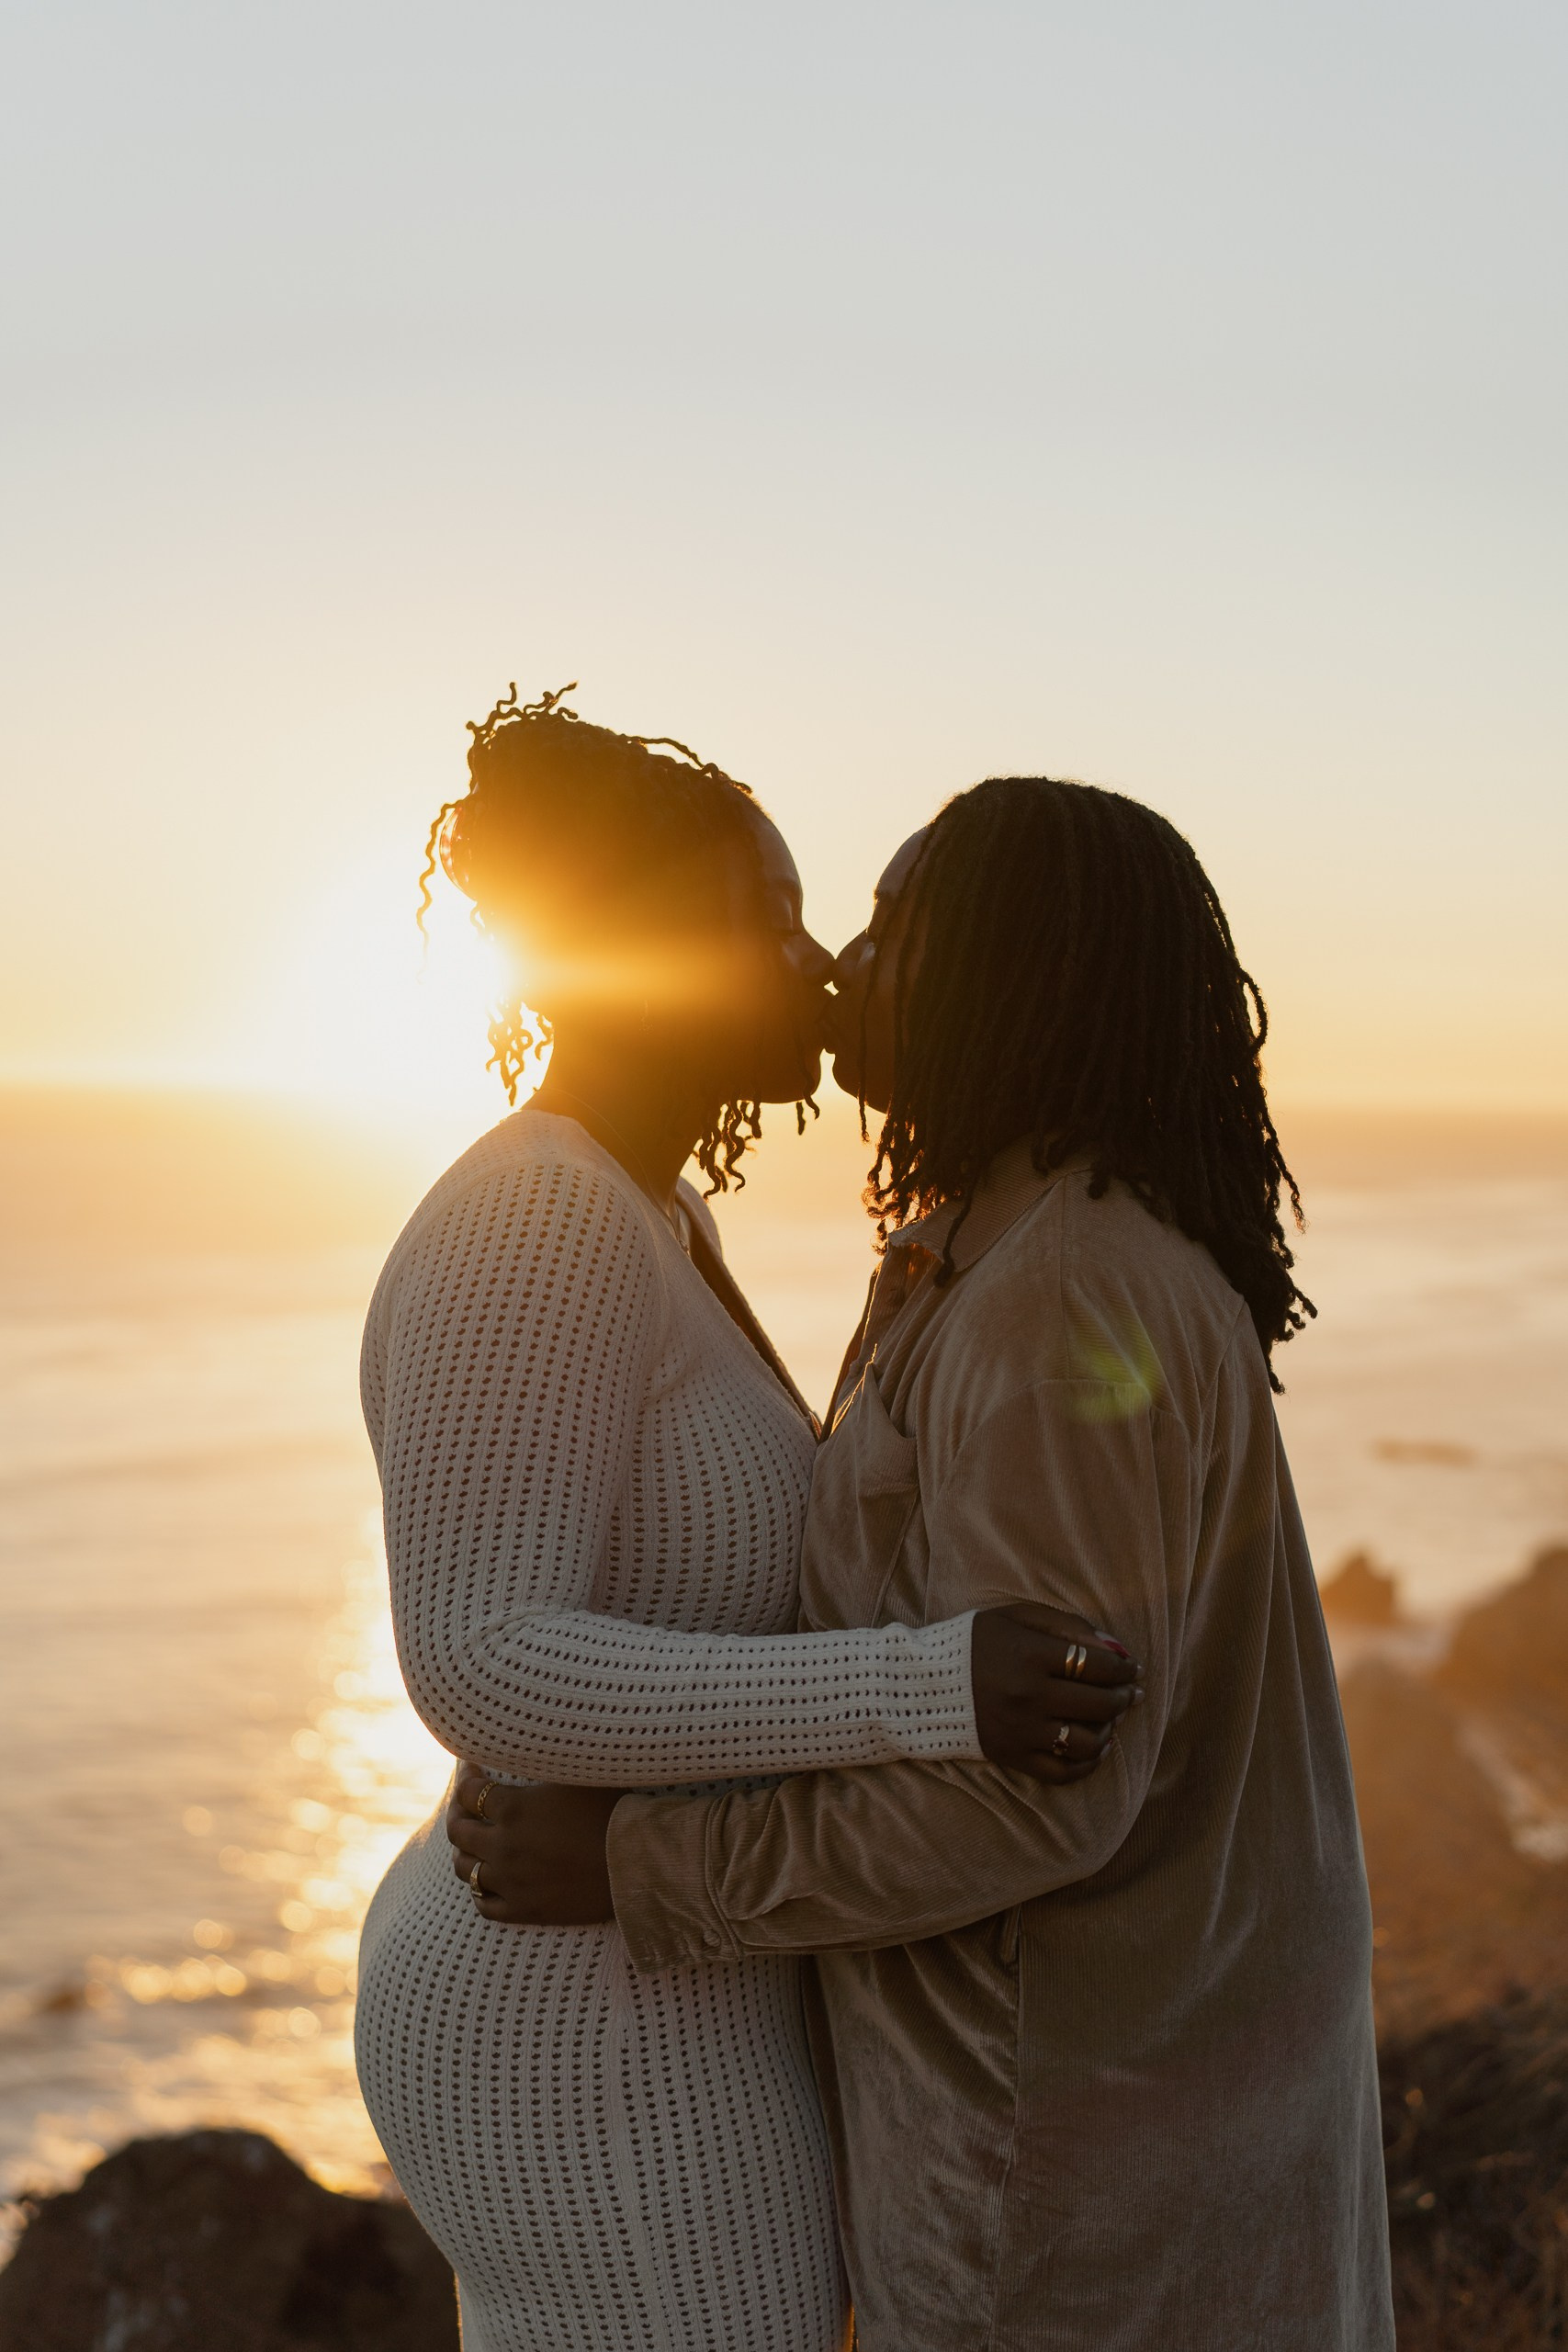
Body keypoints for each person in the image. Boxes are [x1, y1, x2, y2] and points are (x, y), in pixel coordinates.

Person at [452, 775, 1395, 2350]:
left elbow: (1039, 1785)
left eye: (896, 928)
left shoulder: (1062, 1304)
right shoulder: (1010, 1248)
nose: (841, 966)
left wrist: (639, 1869)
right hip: (1116, 2147)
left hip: (1057, 2199)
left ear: (1016, 973)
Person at [355, 695, 1137, 2352]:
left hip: (644, 1978)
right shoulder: (533, 1219)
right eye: (768, 917)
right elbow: (480, 1662)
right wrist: (927, 1687)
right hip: (575, 2021)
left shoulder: (649, 1208)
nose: (820, 962)